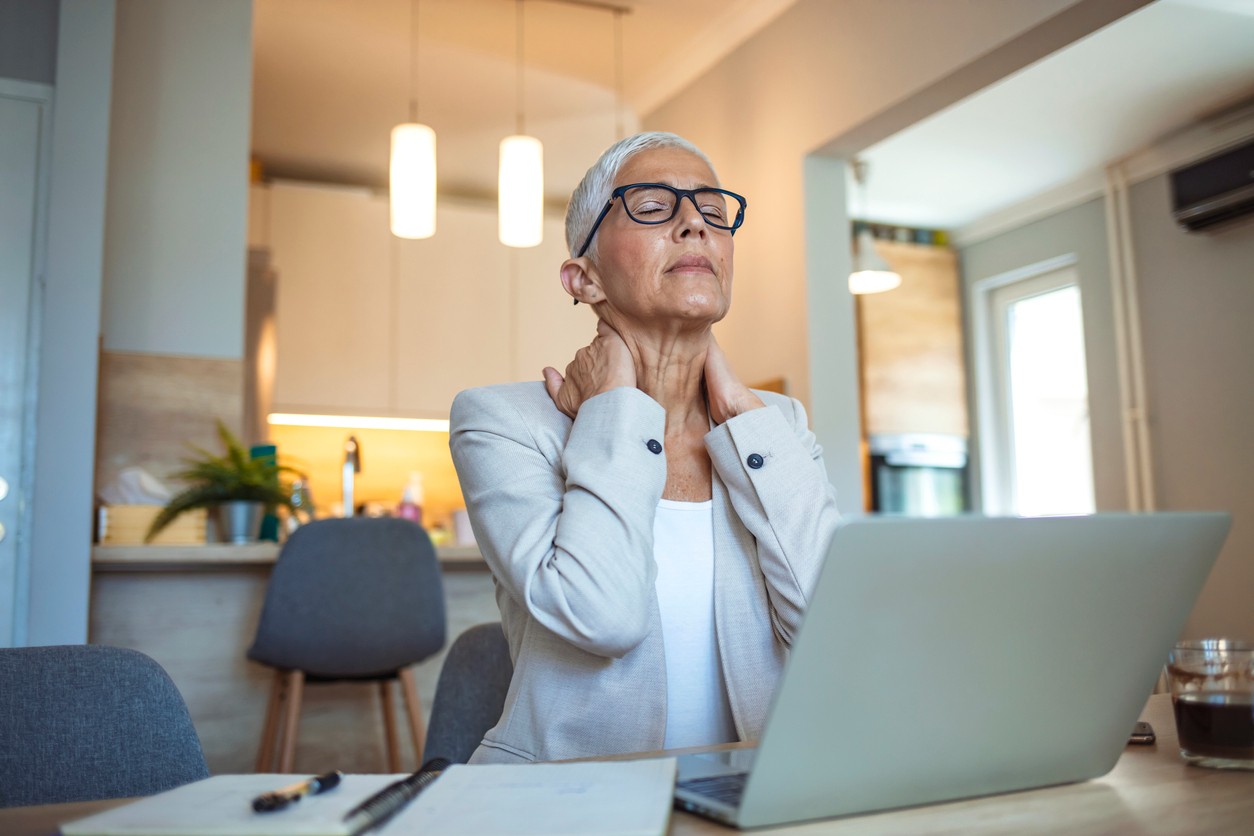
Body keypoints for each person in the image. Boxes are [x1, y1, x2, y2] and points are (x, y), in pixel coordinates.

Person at [449, 131, 840, 764]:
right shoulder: (501, 421)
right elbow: (603, 616)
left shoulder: (777, 426)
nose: (695, 224)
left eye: (714, 212)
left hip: (752, 799)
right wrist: (612, 414)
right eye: (653, 207)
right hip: (572, 807)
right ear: (585, 278)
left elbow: (831, 633)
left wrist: (742, 410)